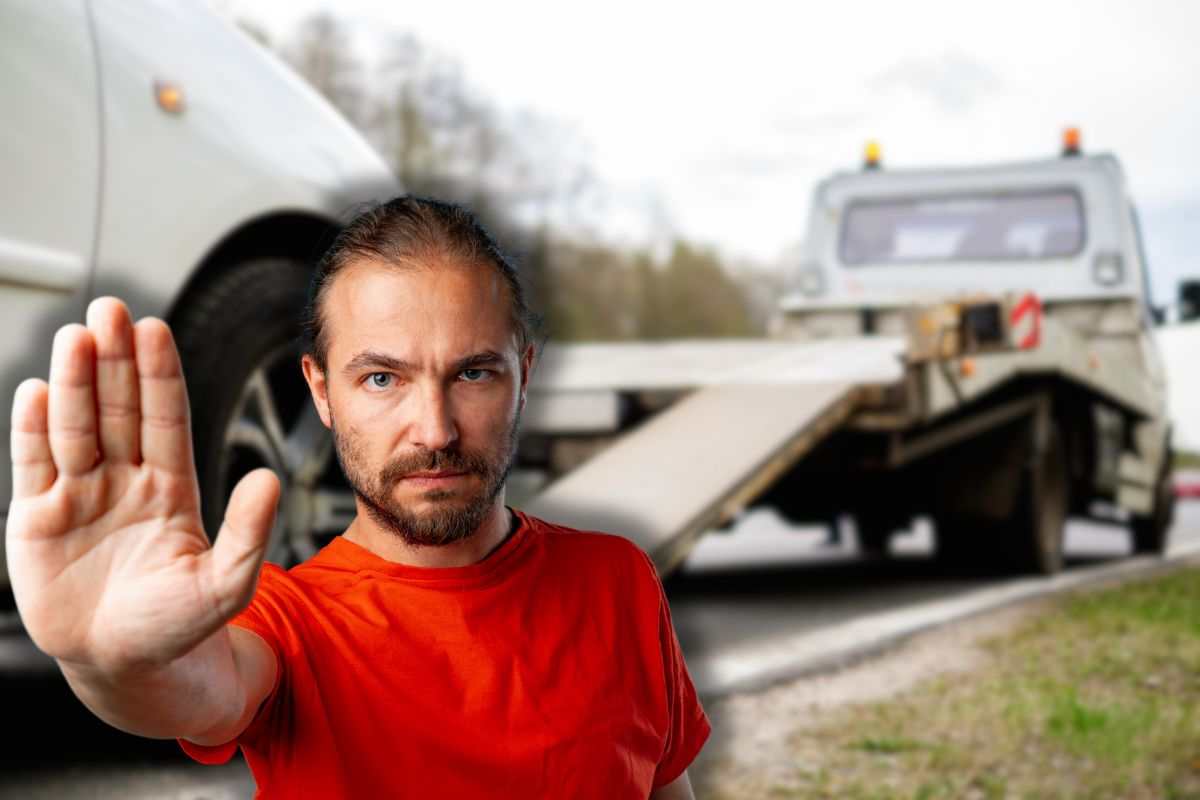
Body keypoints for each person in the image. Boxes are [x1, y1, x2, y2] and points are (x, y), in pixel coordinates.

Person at [6, 196, 710, 798]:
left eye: (472, 374)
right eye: (382, 379)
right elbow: (196, 689)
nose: (434, 431)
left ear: (523, 376)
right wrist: (108, 662)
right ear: (321, 391)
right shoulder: (284, 622)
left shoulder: (618, 580)